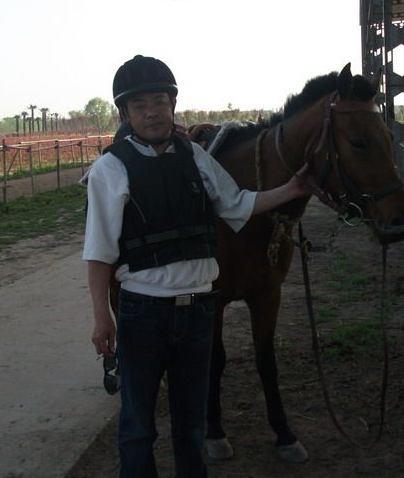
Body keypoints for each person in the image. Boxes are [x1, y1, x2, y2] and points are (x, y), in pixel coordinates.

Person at [83, 54, 310, 478]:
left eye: (159, 100)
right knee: (138, 426)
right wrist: (102, 316)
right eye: (139, 105)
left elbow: (238, 203)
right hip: (144, 313)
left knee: (190, 426)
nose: (151, 111)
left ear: (172, 104)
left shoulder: (197, 158)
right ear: (126, 114)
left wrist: (292, 188)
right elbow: (99, 252)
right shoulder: (110, 169)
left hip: (198, 313)